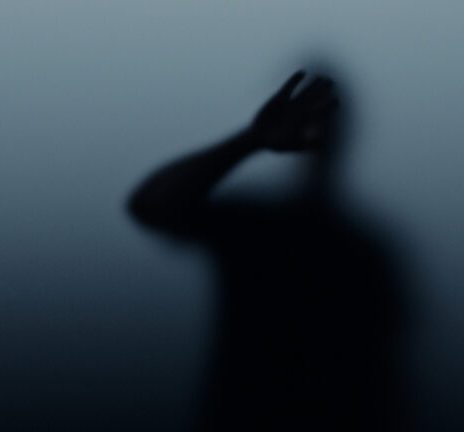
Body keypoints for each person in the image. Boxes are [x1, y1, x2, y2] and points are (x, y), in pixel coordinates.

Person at [127, 70, 407, 431]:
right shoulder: (256, 227)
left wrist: (251, 141)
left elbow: (385, 370)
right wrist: (251, 140)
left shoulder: (362, 252)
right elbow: (151, 206)